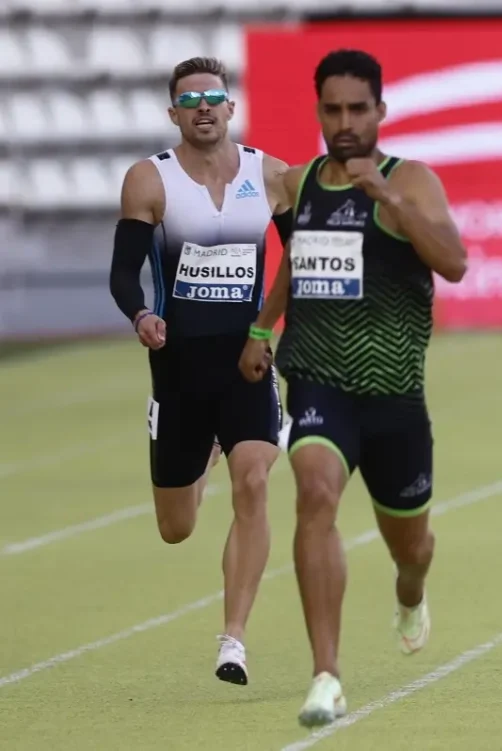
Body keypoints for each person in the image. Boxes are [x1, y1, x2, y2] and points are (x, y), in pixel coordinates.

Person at [239, 48, 468, 726]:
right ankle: (327, 676)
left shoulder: (412, 180)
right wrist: (260, 329)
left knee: (412, 546)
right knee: (313, 492)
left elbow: (454, 262)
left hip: (393, 393)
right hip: (318, 377)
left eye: (357, 109)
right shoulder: (304, 181)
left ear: (380, 112)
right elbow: (297, 262)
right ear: (319, 111)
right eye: (332, 110)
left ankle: (411, 589)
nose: (344, 122)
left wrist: (388, 199)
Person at [109, 56, 293, 686]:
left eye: (214, 96)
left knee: (256, 483)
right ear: (174, 114)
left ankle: (233, 639)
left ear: (230, 108)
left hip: (247, 364)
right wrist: (140, 315)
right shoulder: (149, 181)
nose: (205, 107)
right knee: (175, 527)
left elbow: (304, 260)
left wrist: (280, 334)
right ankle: (204, 449)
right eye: (191, 100)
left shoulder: (270, 176)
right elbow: (121, 271)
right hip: (179, 371)